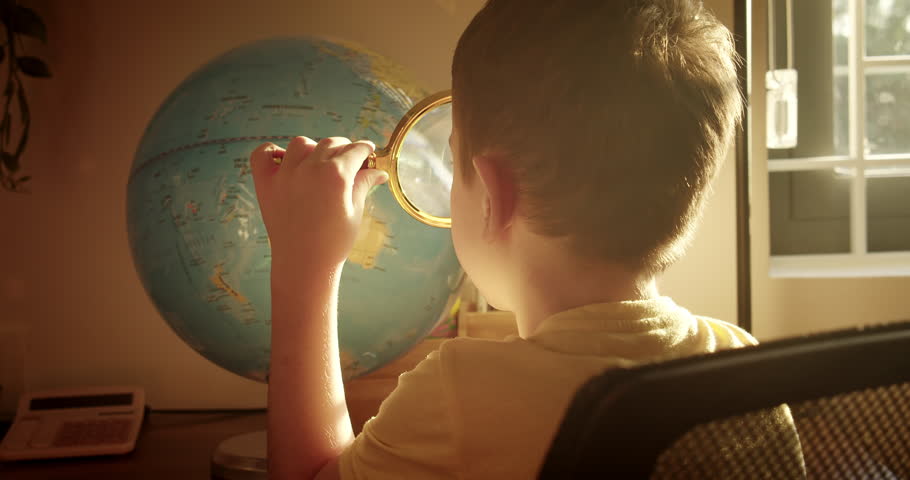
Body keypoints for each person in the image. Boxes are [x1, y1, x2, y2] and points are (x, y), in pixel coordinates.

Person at [250, 1, 802, 479]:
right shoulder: (743, 369)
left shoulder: (459, 396)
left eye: (452, 160)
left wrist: (305, 268)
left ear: (493, 195)